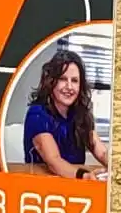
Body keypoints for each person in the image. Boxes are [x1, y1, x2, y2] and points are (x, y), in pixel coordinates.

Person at [21, 47, 107, 178]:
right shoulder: (37, 114)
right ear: (51, 82)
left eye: (74, 80)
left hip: (74, 185)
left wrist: (120, 168)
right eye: (62, 79)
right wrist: (84, 176)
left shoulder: (80, 114)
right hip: (43, 188)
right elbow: (54, 161)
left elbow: (101, 152)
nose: (69, 87)